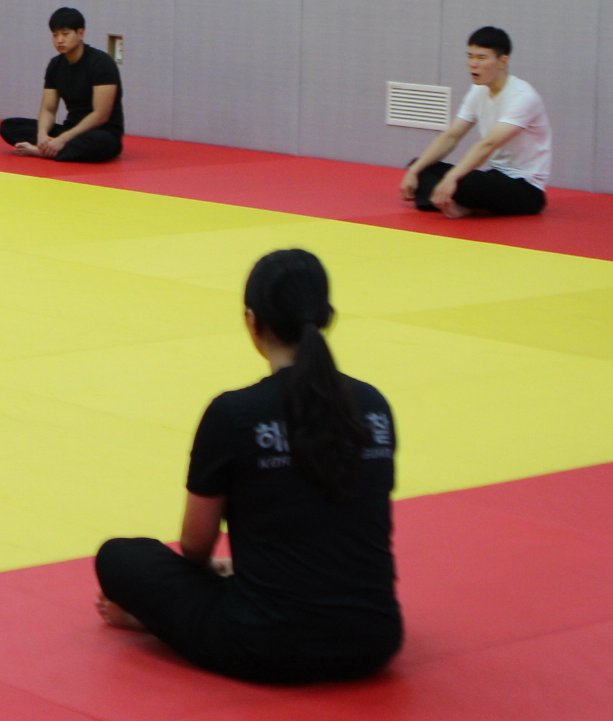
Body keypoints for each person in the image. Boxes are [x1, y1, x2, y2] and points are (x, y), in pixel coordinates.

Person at [94, 249, 401, 685]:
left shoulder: (234, 413)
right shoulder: (373, 406)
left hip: (267, 643)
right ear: (326, 316)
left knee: (120, 557)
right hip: (374, 638)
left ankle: (163, 622)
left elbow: (195, 546)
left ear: (252, 322)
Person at [401, 26, 551, 218]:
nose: (473, 64)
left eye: (481, 58)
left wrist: (451, 178)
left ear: (503, 61)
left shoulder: (523, 96)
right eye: (470, 56)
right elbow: (451, 136)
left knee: (462, 182)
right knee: (422, 166)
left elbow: (488, 144)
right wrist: (414, 171)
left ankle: (460, 204)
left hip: (525, 188)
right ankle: (459, 203)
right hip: (495, 175)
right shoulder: (478, 91)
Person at [0, 7, 123, 163]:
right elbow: (48, 109)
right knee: (9, 126)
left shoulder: (101, 63)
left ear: (81, 33)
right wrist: (42, 136)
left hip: (100, 132)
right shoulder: (55, 65)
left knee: (99, 143)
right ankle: (52, 149)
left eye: (65, 34)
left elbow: (101, 115)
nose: (59, 40)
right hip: (70, 129)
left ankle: (42, 152)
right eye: (55, 35)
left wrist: (62, 139)